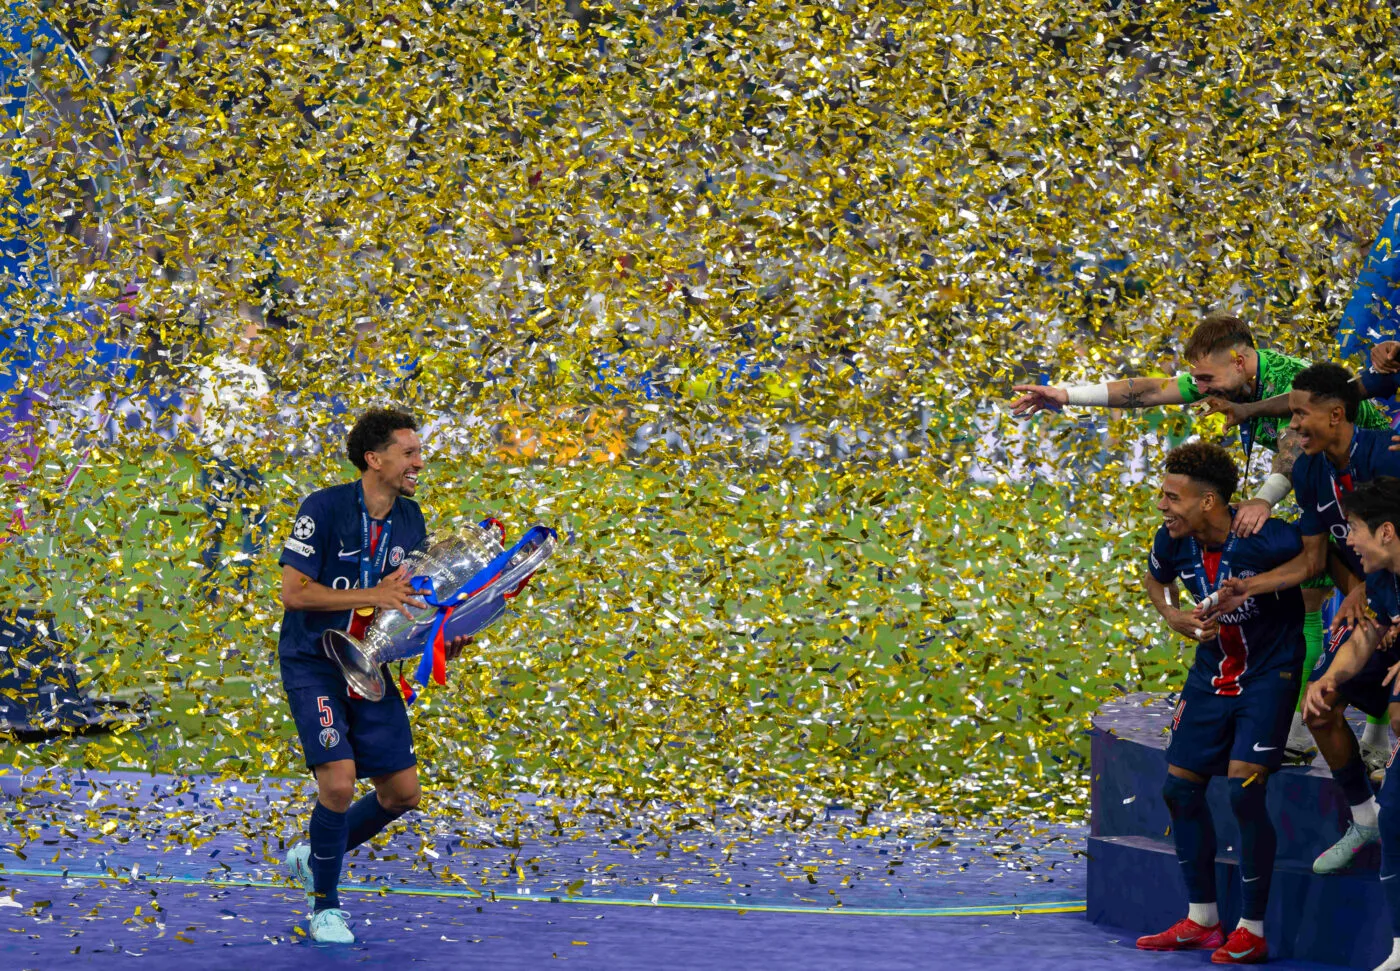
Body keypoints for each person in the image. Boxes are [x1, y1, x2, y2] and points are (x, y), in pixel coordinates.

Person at [1013, 312, 1390, 764]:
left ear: (1240, 359)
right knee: (1322, 589)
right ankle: (1342, 726)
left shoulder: (1288, 379)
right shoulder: (1227, 380)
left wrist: (1265, 500)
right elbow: (1151, 391)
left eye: (1207, 377)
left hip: (1373, 485)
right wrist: (1066, 395)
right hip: (1333, 487)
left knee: (1359, 591)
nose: (1201, 387)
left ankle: (1352, 727)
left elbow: (1292, 448)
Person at [276, 407, 469, 944]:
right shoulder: (324, 507)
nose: (419, 463)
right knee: (337, 784)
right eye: (409, 453)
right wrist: (374, 593)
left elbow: (405, 603)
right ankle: (325, 909)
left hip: (371, 663)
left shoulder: (411, 519)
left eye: (418, 452)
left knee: (403, 794)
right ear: (374, 458)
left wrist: (441, 633)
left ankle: (315, 853)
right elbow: (295, 594)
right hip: (315, 661)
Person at [1208, 364, 1400, 873]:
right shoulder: (1312, 470)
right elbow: (1317, 559)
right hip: (1374, 601)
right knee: (1319, 706)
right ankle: (1365, 817)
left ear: (1336, 414)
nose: (1292, 427)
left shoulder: (1388, 454)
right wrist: (1248, 587)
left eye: (1299, 414)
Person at [1136, 442, 1307, 963]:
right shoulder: (1172, 540)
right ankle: (1203, 920)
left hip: (1269, 676)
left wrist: (1356, 603)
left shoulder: (1264, 536)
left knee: (1243, 793)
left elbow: (1317, 561)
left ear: (1209, 502)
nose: (1163, 507)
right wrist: (1171, 616)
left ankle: (1251, 929)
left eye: (1173, 497)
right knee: (1178, 791)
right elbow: (1155, 579)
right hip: (1210, 678)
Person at [1319, 478, 1400, 971]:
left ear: (1386, 531)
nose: (1347, 540)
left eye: (1354, 529)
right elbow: (1368, 634)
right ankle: (1399, 948)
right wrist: (1327, 679)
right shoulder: (1386, 579)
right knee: (1392, 815)